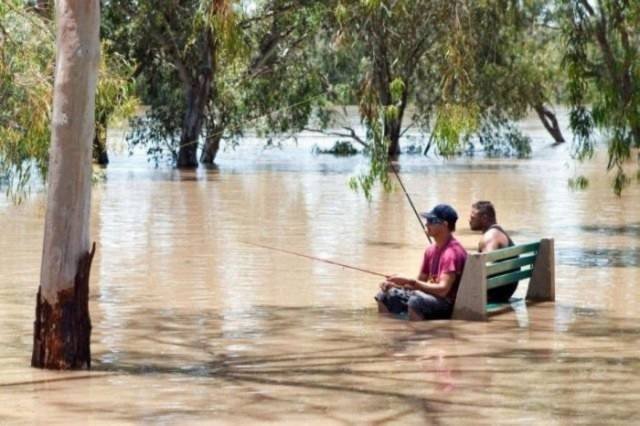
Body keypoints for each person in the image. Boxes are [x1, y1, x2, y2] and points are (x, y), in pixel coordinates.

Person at [375, 204, 467, 321]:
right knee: (384, 295)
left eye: (431, 221)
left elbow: (443, 291)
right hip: (430, 297)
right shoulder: (430, 250)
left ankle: (417, 336)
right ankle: (392, 334)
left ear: (445, 224)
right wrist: (398, 284)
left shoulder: (451, 253)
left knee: (416, 301)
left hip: (447, 304)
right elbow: (420, 282)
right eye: (427, 220)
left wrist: (411, 281)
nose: (427, 224)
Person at [468, 200, 517, 303]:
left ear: (484, 218)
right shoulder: (499, 232)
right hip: (505, 291)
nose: (469, 220)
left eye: (473, 217)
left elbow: (487, 268)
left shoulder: (490, 237)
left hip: (494, 294)